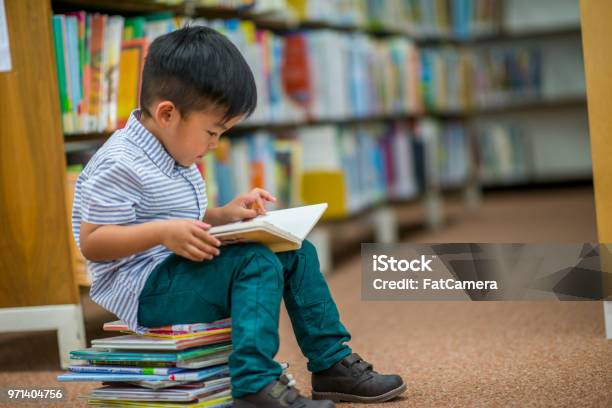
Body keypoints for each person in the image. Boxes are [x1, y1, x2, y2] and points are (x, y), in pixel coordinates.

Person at [72, 25, 406, 407]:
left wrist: (222, 215)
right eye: (213, 132)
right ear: (167, 113)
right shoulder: (119, 164)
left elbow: (181, 218)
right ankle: (254, 385)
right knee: (256, 262)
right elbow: (94, 242)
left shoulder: (172, 149)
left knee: (297, 251)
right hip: (145, 290)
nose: (215, 145)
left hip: (178, 267)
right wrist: (163, 232)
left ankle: (331, 365)